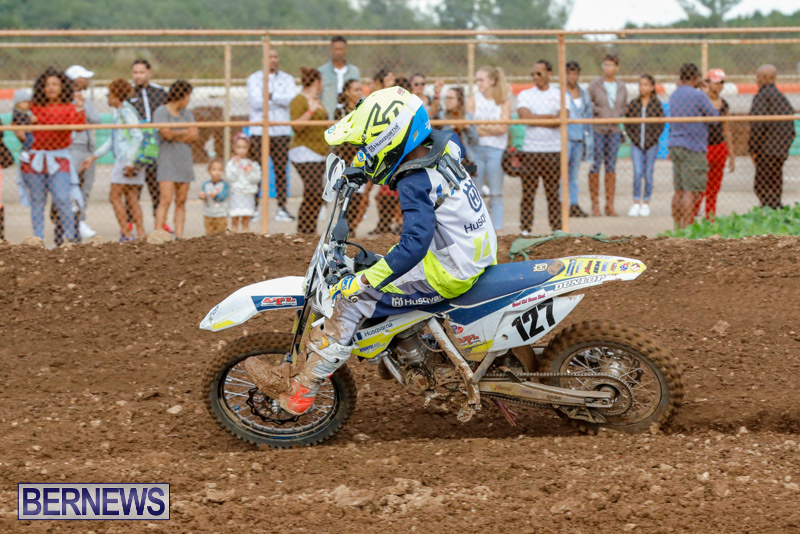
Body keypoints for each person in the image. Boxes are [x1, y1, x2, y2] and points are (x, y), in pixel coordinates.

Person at [243, 86, 497, 416]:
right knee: (376, 267)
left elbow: (413, 246)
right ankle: (407, 344)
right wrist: (362, 166)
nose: (364, 150)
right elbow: (437, 153)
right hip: (471, 249)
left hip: (449, 269)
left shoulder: (414, 182)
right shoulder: (446, 144)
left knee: (352, 298)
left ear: (388, 141)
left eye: (368, 145)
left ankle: (300, 391)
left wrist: (361, 283)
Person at [21, 67, 86, 245]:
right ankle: (38, 239)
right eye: (47, 84)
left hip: (58, 158)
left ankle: (71, 238)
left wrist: (80, 108)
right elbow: (19, 121)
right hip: (36, 159)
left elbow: (79, 127)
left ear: (62, 87)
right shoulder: (34, 106)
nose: (50, 88)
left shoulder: (69, 107)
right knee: (37, 201)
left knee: (62, 198)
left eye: (55, 84)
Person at [80, 79, 146, 242]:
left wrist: (129, 162)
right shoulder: (120, 112)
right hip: (128, 159)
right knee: (131, 197)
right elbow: (113, 139)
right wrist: (94, 156)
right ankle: (140, 234)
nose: (108, 98)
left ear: (116, 96)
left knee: (115, 196)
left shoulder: (126, 112)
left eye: (109, 95)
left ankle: (127, 233)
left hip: (126, 160)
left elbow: (137, 136)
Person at [246, 48, 298, 222]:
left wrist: (270, 96)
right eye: (269, 57)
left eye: (275, 56)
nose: (273, 60)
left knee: (280, 170)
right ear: (263, 60)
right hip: (259, 131)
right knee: (257, 171)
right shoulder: (254, 79)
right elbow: (256, 102)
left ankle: (282, 208)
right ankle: (253, 208)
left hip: (281, 131)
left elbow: (291, 99)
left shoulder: (287, 79)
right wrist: (277, 100)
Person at [668, 63, 719, 229]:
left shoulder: (674, 94)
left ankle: (677, 227)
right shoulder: (698, 96)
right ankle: (688, 228)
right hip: (693, 147)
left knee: (679, 190)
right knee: (691, 191)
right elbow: (715, 117)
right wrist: (705, 92)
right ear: (695, 78)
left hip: (675, 144)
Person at [516, 59, 562, 234]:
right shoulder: (526, 94)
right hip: (531, 150)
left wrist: (536, 118)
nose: (535, 77)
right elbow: (524, 117)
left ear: (549, 73)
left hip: (553, 150)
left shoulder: (559, 94)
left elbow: (561, 119)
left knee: (553, 193)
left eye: (539, 73)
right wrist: (550, 118)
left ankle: (556, 228)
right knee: (528, 193)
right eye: (533, 74)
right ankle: (525, 228)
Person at [466, 65, 510, 232]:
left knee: (496, 193)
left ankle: (498, 230)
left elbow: (503, 128)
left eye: (481, 80)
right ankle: (478, 229)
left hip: (496, 151)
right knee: (475, 192)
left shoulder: (502, 101)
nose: (479, 83)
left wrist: (481, 127)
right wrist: (491, 127)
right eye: (477, 80)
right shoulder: (473, 101)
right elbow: (470, 128)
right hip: (476, 150)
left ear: (492, 81)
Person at [153, 80, 199, 238]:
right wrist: (183, 132)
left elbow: (194, 135)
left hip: (184, 160)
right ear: (182, 96)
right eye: (188, 96)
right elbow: (165, 133)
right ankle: (159, 233)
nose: (189, 100)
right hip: (167, 160)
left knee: (181, 200)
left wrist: (175, 133)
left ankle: (179, 235)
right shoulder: (161, 112)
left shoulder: (187, 114)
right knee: (165, 199)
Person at [749, 64, 795, 210]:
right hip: (779, 150)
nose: (756, 81)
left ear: (764, 78)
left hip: (766, 150)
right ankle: (774, 209)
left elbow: (758, 125)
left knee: (761, 186)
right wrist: (784, 147)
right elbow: (791, 128)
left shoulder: (762, 96)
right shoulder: (783, 99)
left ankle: (773, 208)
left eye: (758, 77)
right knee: (775, 183)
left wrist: (754, 148)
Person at [129, 59, 168, 228]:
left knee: (156, 187)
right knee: (133, 187)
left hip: (155, 147)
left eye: (141, 72)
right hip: (137, 147)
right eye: (135, 72)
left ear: (149, 73)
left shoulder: (159, 92)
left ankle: (160, 222)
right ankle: (131, 222)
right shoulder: (129, 93)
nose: (138, 76)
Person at [64, 65, 101, 240]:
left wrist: (84, 105)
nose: (87, 81)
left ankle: (80, 220)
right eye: (84, 78)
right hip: (73, 146)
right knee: (72, 186)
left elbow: (96, 120)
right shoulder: (65, 100)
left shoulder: (85, 100)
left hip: (87, 147)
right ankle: (70, 223)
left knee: (86, 187)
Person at [290, 68, 329, 234]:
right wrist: (310, 110)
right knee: (314, 191)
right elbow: (296, 126)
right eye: (321, 82)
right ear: (316, 82)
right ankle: (303, 230)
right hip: (304, 151)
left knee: (314, 194)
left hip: (319, 152)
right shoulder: (299, 100)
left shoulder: (317, 99)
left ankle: (309, 231)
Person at [588, 53, 627, 216]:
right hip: (598, 128)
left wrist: (617, 113)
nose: (607, 68)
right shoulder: (595, 85)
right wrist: (600, 112)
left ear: (616, 67)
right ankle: (595, 204)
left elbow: (624, 105)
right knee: (595, 164)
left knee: (611, 166)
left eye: (610, 65)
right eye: (605, 64)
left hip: (614, 130)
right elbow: (588, 103)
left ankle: (609, 204)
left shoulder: (621, 86)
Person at [694, 68, 735, 220]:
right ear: (708, 83)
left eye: (721, 83)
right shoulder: (701, 102)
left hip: (719, 148)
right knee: (700, 186)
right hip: (703, 148)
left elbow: (726, 130)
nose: (719, 86)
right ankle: (693, 215)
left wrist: (731, 154)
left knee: (714, 187)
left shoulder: (724, 104)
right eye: (716, 82)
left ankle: (710, 218)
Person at [624, 74, 665, 218]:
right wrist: (634, 139)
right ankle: (636, 202)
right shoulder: (634, 103)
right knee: (637, 172)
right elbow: (628, 123)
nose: (643, 87)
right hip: (637, 145)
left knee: (648, 173)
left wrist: (651, 140)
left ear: (652, 87)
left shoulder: (656, 104)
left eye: (646, 85)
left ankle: (646, 203)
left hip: (651, 145)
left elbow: (661, 124)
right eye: (641, 84)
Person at [333, 79, 367, 232]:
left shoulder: (365, 109)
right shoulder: (340, 111)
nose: (359, 92)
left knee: (358, 195)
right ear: (346, 92)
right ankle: (343, 226)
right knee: (345, 195)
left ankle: (352, 228)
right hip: (345, 156)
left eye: (360, 89)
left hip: (361, 156)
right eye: (355, 90)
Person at [564, 60, 593, 218]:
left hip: (580, 137)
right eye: (569, 73)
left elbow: (588, 114)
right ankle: (562, 204)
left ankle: (573, 204)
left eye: (575, 74)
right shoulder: (560, 93)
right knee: (563, 173)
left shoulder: (583, 94)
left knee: (574, 174)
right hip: (565, 137)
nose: (572, 77)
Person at [318, 36, 361, 120]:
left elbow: (359, 93)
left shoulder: (354, 71)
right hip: (329, 117)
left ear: (345, 50)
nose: (338, 52)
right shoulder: (322, 71)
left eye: (341, 49)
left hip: (350, 115)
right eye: (336, 49)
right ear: (331, 50)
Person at [226, 134, 262, 233]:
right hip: (236, 194)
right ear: (234, 148)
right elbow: (230, 177)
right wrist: (236, 166)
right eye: (238, 147)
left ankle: (245, 236)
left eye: (244, 147)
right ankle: (234, 236)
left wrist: (249, 173)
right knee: (235, 219)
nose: (241, 150)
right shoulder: (231, 163)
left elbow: (257, 179)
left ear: (248, 147)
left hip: (248, 194)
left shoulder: (253, 164)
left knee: (246, 220)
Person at [439, 86, 478, 155]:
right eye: (446, 98)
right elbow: (438, 138)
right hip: (446, 155)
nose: (447, 101)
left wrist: (468, 128)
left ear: (459, 101)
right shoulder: (441, 115)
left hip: (466, 155)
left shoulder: (468, 116)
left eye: (450, 98)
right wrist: (451, 127)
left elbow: (475, 142)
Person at [199, 158, 229, 235]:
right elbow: (202, 194)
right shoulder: (206, 184)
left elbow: (224, 196)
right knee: (209, 233)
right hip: (208, 214)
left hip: (221, 214)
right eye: (214, 170)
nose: (217, 172)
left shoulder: (224, 185)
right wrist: (202, 196)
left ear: (223, 171)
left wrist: (216, 196)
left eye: (220, 170)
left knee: (221, 233)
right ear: (209, 171)